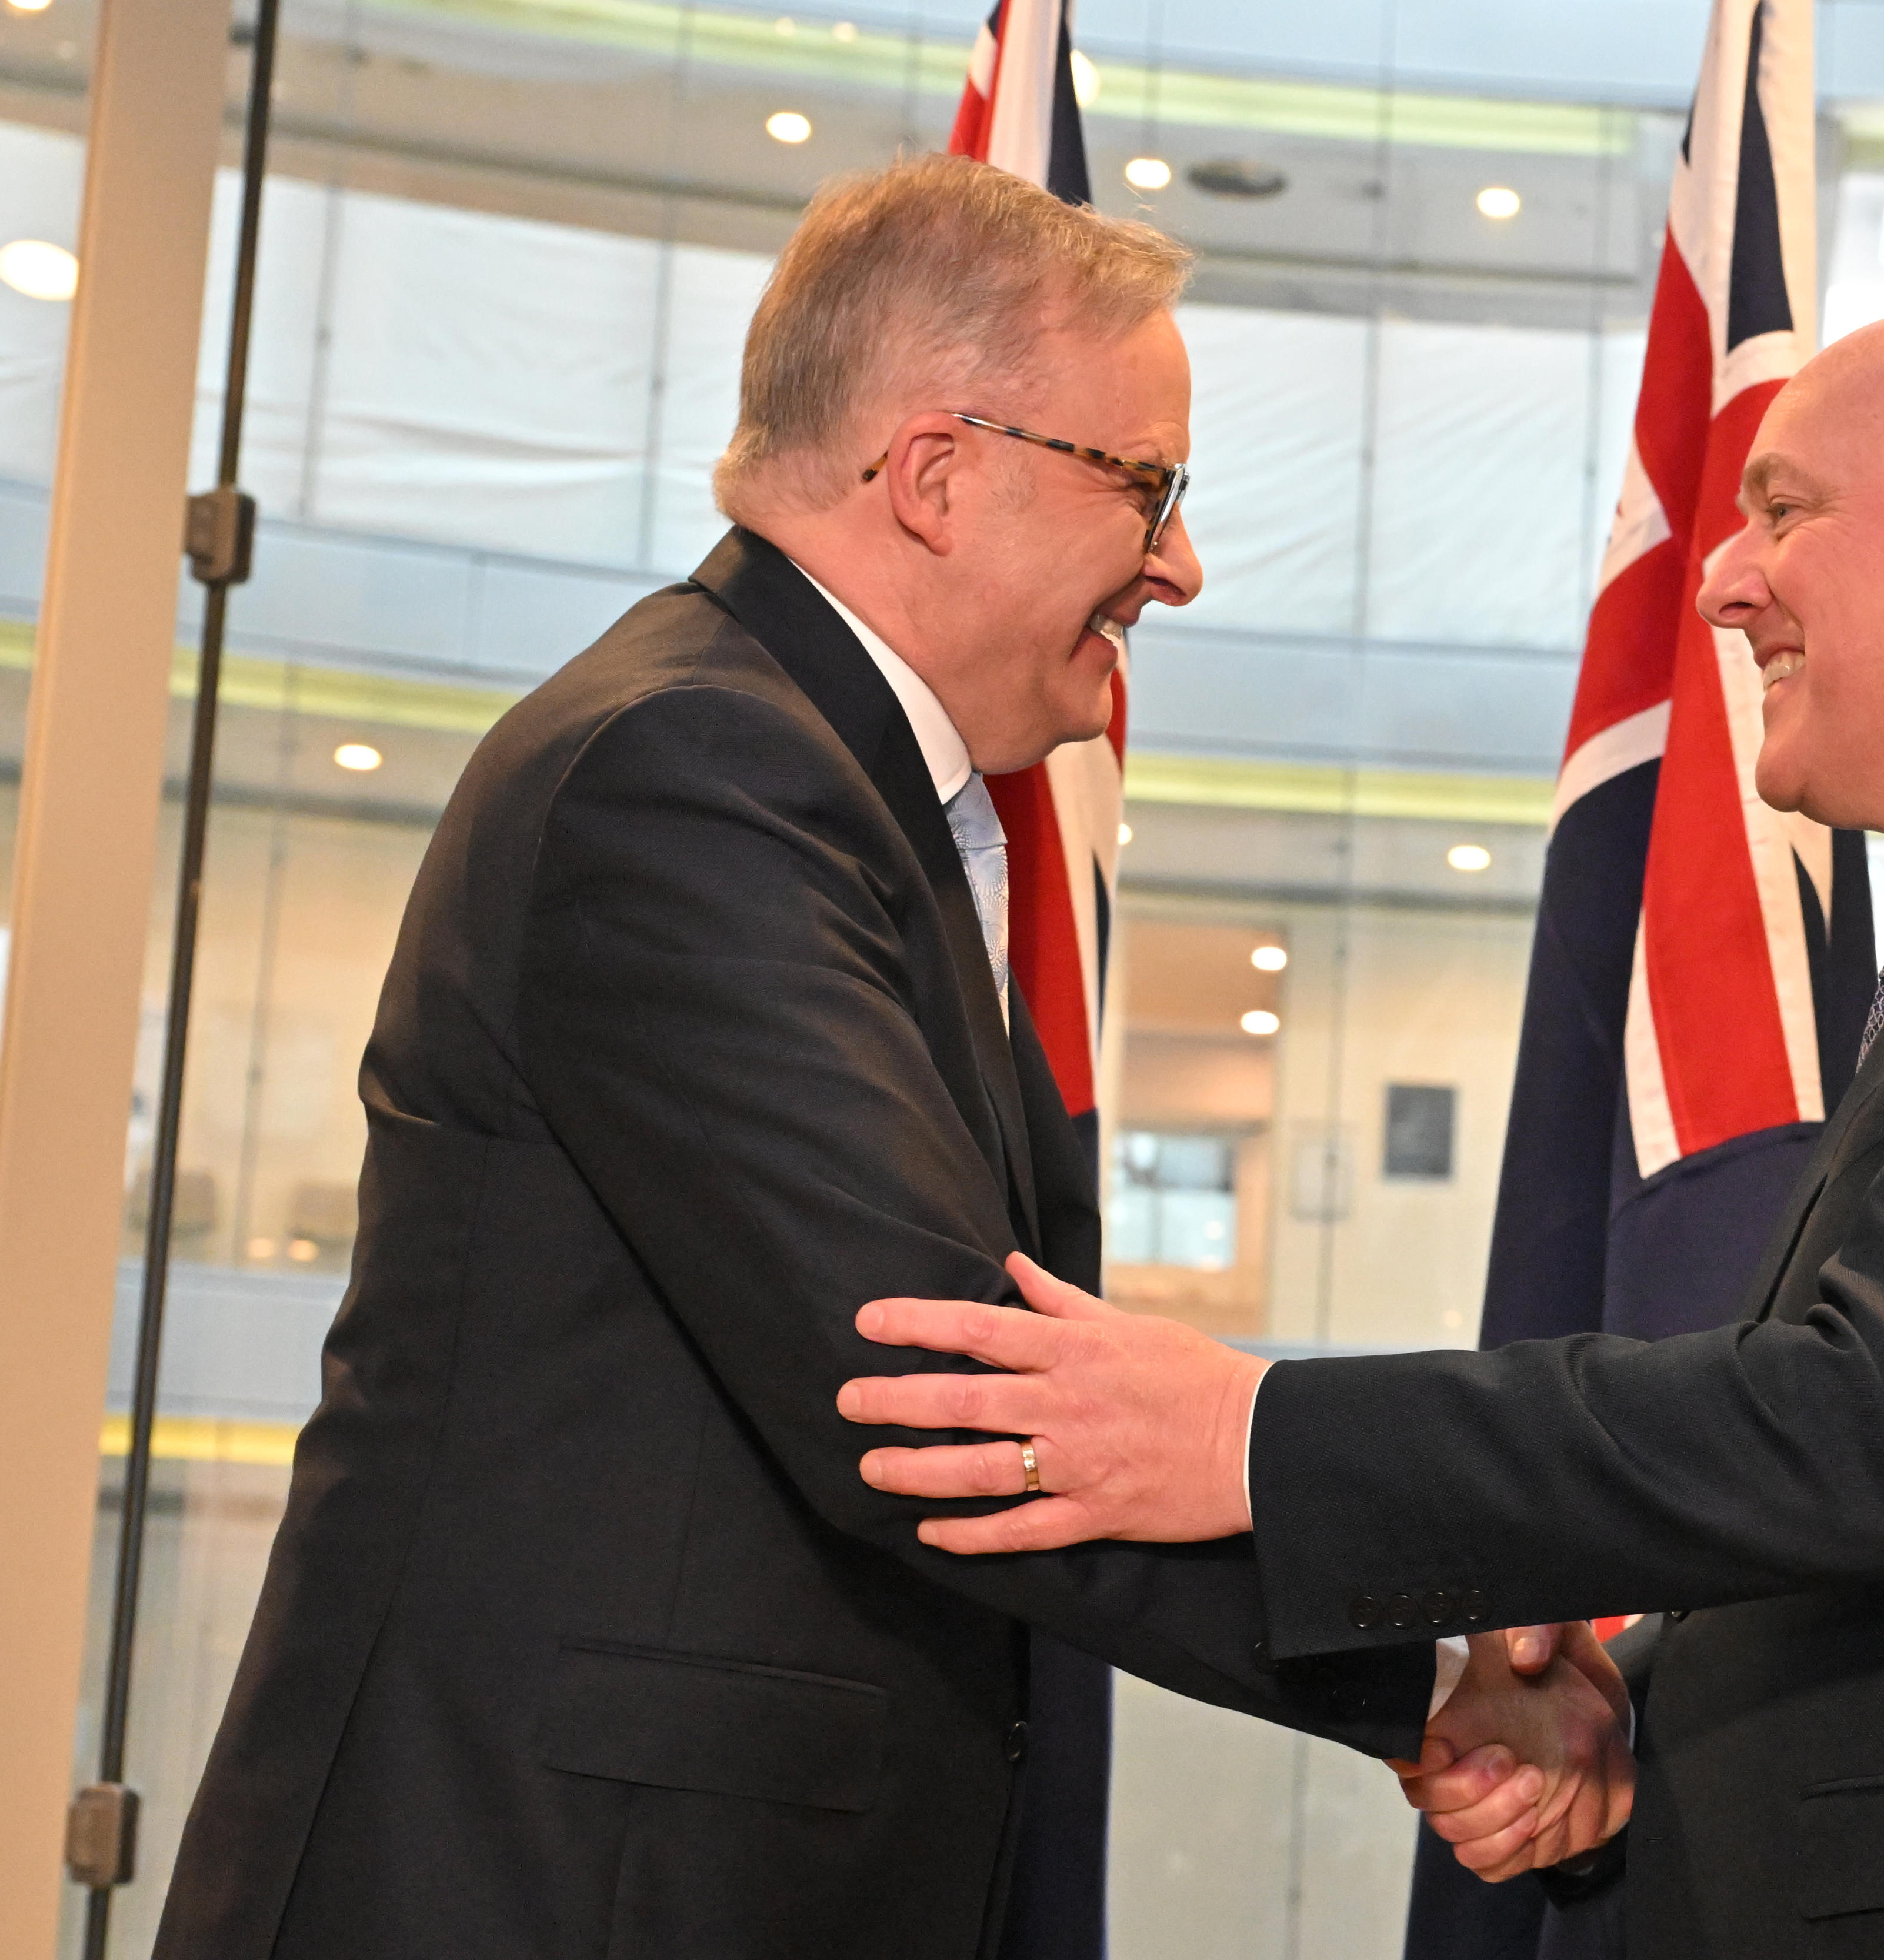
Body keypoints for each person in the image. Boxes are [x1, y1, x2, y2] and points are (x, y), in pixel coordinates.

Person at [837, 305, 1884, 1958]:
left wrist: (1252, 1434)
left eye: (1786, 508)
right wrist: (1622, 1715)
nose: (1722, 578)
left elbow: (1869, 1425)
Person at [152, 156, 1625, 1960]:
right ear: (936, 473)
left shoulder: (835, 793)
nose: (1179, 559)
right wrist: (1444, 1667)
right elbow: (942, 1394)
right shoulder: (694, 771)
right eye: (1146, 485)